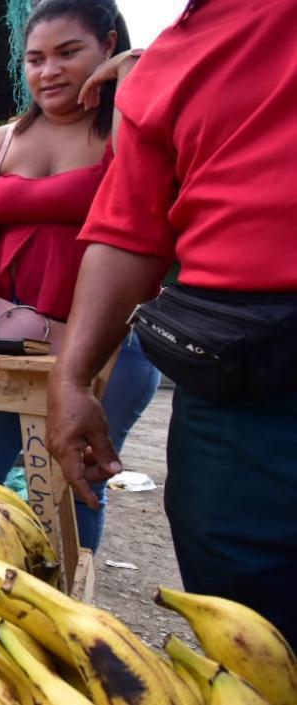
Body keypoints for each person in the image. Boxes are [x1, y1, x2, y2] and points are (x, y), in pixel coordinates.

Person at [48, 0, 297, 642]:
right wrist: (72, 379)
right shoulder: (167, 62)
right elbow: (129, 230)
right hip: (235, 383)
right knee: (248, 622)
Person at [0, 0, 157, 552]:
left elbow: (141, 189)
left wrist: (132, 84)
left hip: (110, 345)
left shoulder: (128, 132)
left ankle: (71, 614)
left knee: (70, 488)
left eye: (68, 53)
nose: (49, 71)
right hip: (8, 342)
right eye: (35, 59)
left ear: (107, 46)